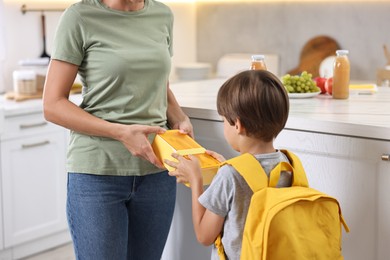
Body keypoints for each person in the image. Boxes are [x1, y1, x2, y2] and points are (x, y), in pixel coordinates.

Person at [43, 0, 193, 259]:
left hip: (157, 173)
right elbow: (52, 104)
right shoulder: (79, 17)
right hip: (98, 174)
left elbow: (160, 86)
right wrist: (120, 132)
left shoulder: (162, 14)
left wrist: (179, 117)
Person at [165, 69, 292, 260]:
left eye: (223, 120)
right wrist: (228, 167)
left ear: (237, 125)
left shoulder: (230, 176)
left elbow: (204, 235)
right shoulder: (288, 164)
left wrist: (195, 181)